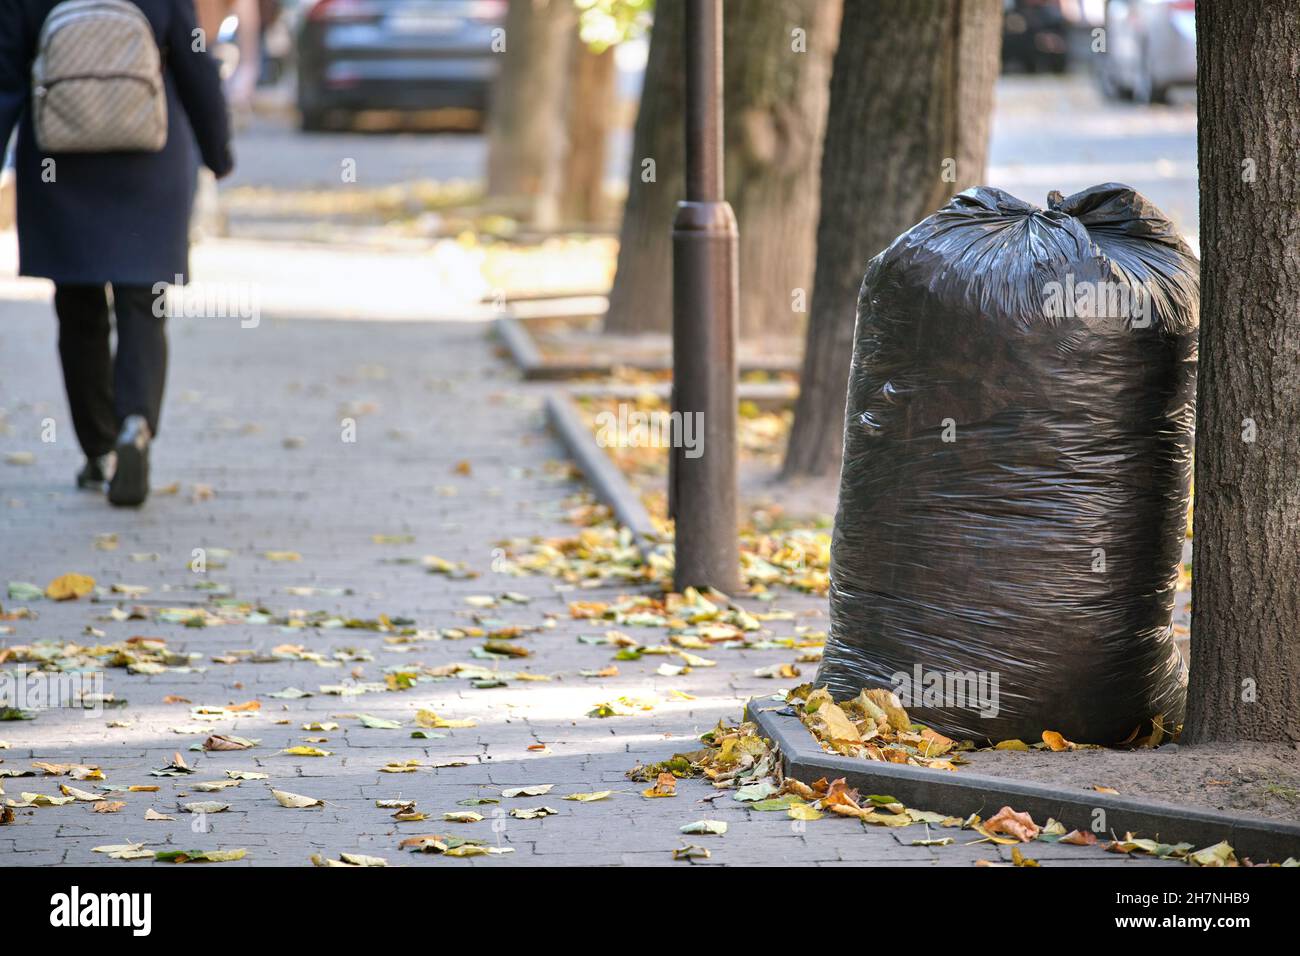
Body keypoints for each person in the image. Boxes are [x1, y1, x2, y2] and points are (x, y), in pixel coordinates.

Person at [0, 0, 233, 506]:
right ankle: (136, 423)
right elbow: (196, 66)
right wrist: (218, 152)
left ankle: (100, 449)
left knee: (78, 308)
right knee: (144, 303)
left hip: (60, 163)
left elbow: (7, 79)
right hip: (150, 158)